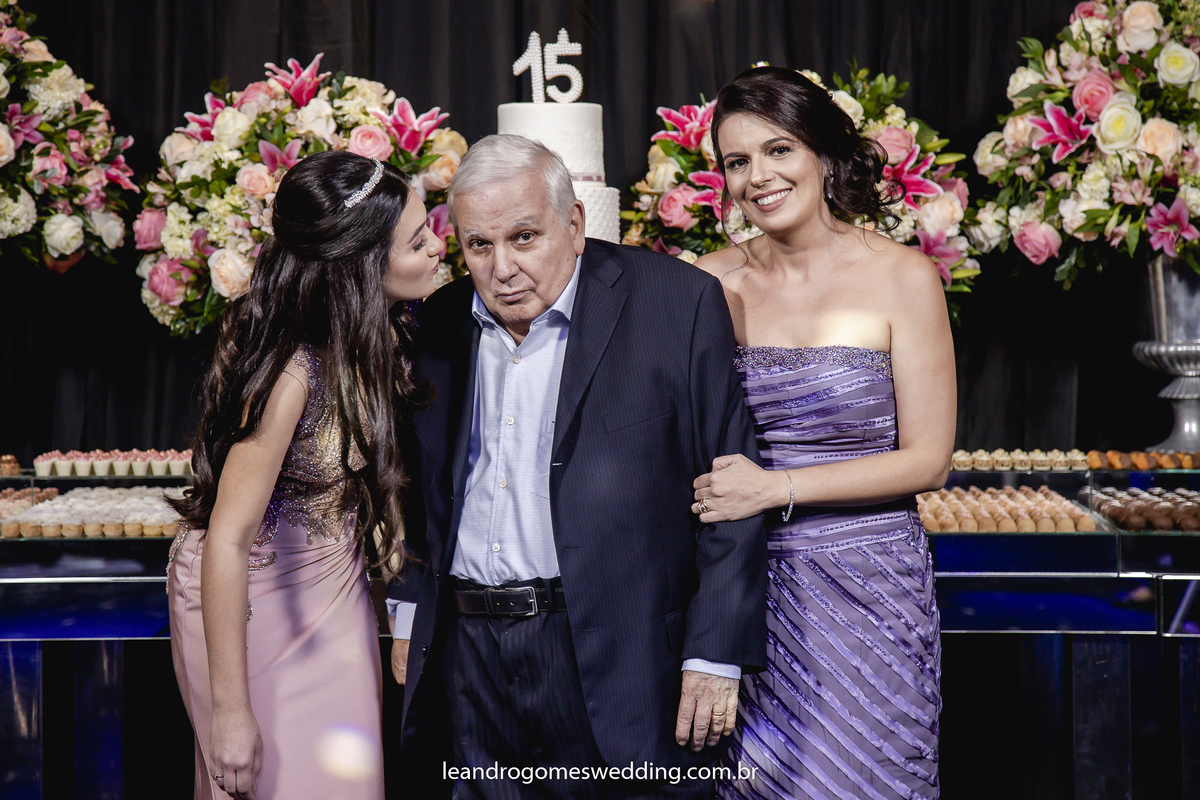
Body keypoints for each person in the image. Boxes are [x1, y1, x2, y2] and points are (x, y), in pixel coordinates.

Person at [386, 133, 767, 799]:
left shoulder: (676, 302)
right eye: (479, 245)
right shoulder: (437, 323)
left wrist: (715, 652)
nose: (502, 268)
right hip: (469, 657)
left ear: (574, 224)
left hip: (619, 653)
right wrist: (407, 611)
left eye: (524, 237)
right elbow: (417, 491)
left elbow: (730, 490)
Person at [692, 66, 954, 800]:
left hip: (870, 590)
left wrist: (775, 487)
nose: (758, 177)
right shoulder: (708, 285)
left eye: (778, 150)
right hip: (745, 586)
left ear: (823, 153)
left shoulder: (903, 277)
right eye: (737, 161)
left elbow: (930, 460)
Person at [168, 149, 443, 800]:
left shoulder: (385, 336)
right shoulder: (292, 374)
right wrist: (230, 711)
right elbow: (228, 539)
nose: (438, 247)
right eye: (418, 241)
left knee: (349, 779)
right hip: (250, 595)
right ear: (362, 264)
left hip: (333, 585)